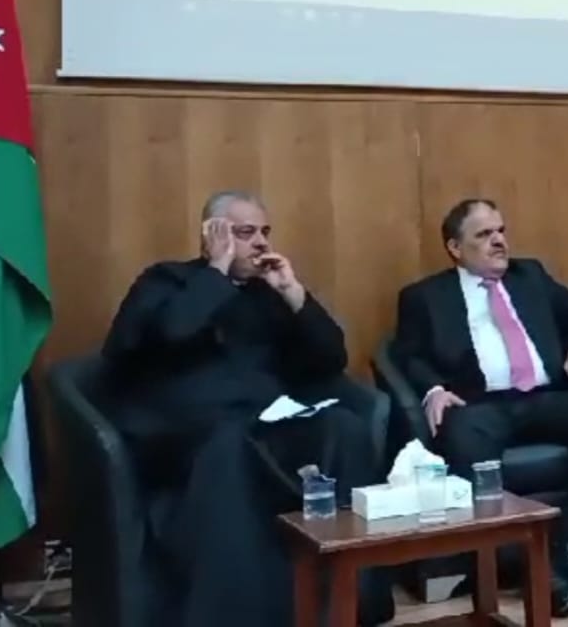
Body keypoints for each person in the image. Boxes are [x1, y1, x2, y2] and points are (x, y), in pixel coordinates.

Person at [100, 191, 392, 627]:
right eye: (245, 232)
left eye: (264, 232)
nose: (261, 243)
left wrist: (294, 293)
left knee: (344, 428)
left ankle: (353, 603)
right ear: (211, 235)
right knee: (229, 447)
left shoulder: (266, 294)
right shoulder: (166, 281)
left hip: (269, 421)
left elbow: (330, 359)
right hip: (190, 430)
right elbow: (171, 331)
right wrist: (215, 272)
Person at [391, 198, 568, 618]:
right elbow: (407, 354)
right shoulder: (424, 296)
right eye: (484, 234)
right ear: (455, 248)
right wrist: (433, 390)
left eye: (500, 231)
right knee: (463, 433)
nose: (499, 241)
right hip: (479, 404)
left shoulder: (530, 275)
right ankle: (527, 564)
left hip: (545, 396)